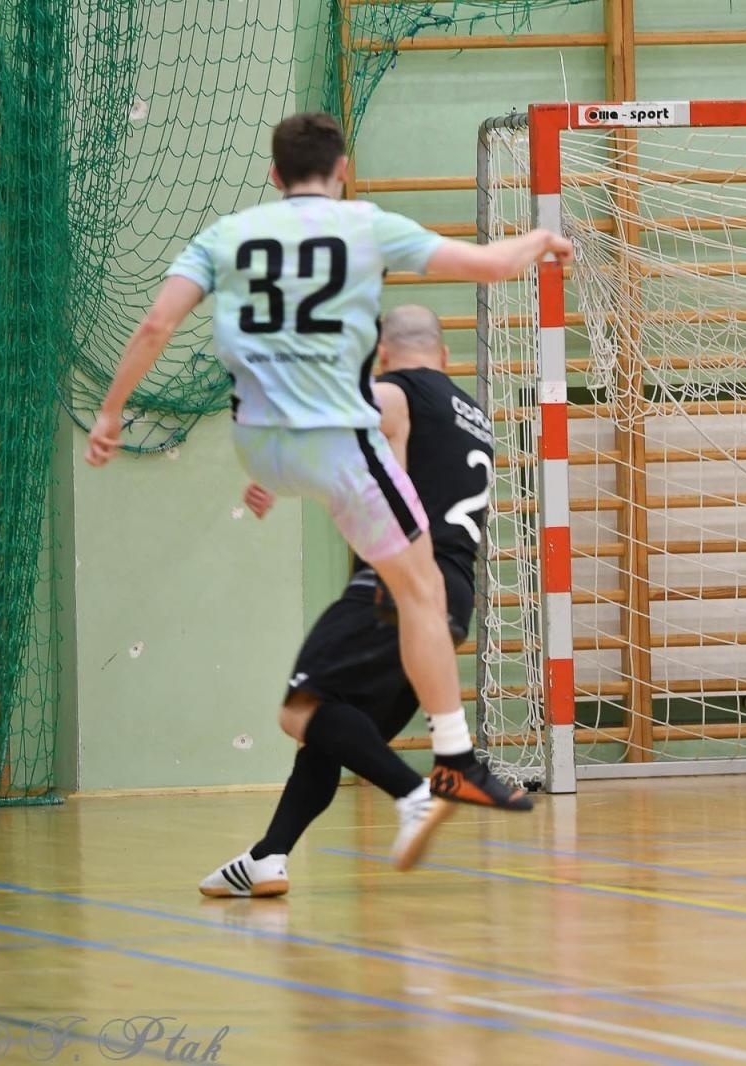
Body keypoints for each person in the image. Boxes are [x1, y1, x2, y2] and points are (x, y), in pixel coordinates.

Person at [84, 112, 569, 882]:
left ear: (274, 176)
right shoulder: (365, 226)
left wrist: (111, 413)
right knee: (419, 589)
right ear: (342, 170)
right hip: (337, 445)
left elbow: (153, 325)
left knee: (327, 691)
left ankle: (275, 853)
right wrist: (537, 244)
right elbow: (487, 265)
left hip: (260, 445)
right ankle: (450, 761)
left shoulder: (223, 236)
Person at [200, 306, 526, 897]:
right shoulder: (472, 415)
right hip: (450, 599)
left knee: (299, 710)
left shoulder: (399, 393)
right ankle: (267, 857)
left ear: (381, 356)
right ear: (445, 354)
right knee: (330, 730)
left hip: (392, 589)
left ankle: (415, 794)